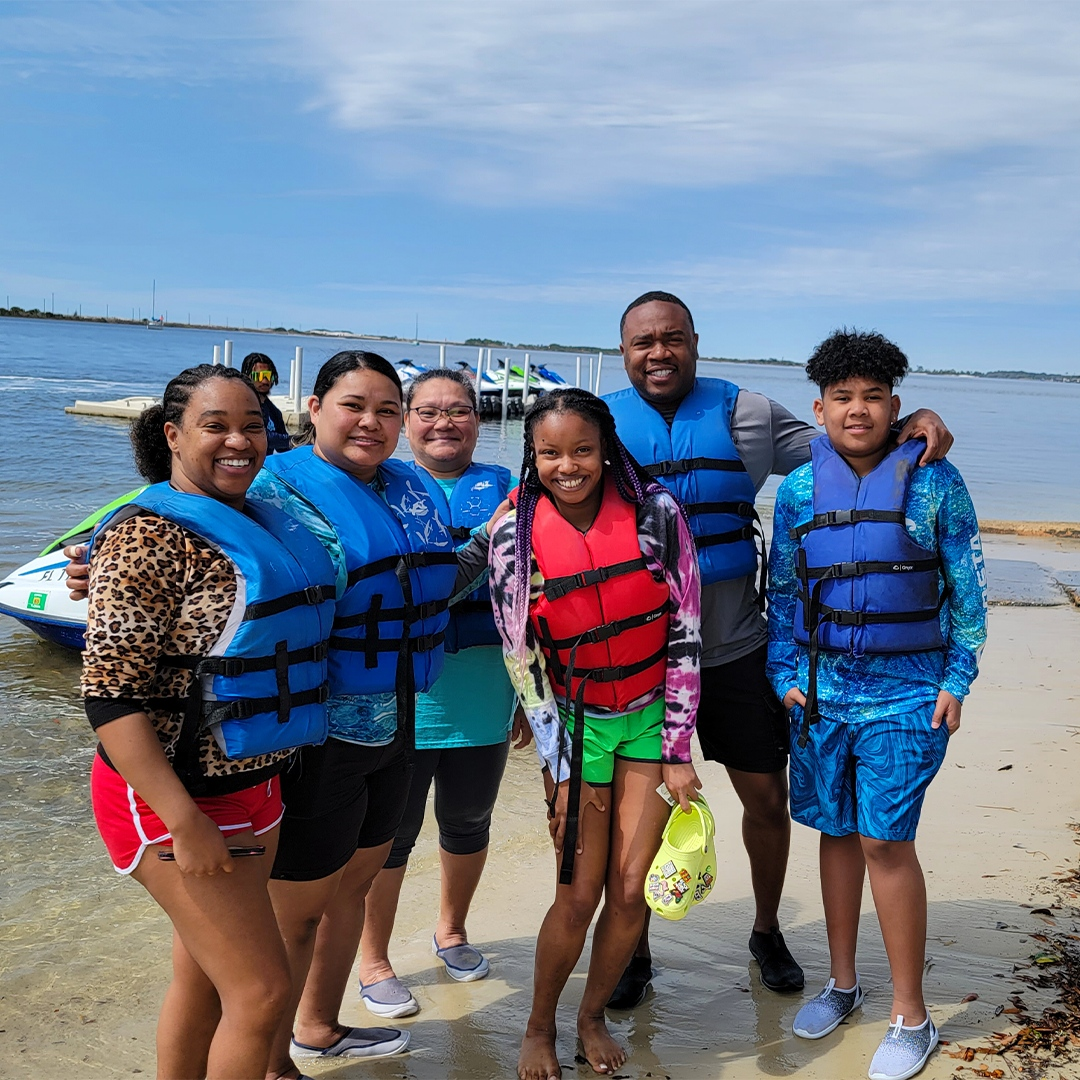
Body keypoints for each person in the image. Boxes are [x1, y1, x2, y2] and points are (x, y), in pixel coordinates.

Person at [604, 291, 955, 1004]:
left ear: (696, 341)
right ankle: (631, 946)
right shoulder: (600, 420)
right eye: (644, 342)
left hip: (736, 647)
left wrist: (918, 422)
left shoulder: (750, 413)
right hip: (639, 658)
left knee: (765, 799)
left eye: (673, 338)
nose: (659, 353)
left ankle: (766, 928)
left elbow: (852, 443)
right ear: (624, 351)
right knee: (631, 810)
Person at [81, 364, 337, 1080]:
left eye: (253, 425)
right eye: (215, 425)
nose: (239, 441)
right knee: (262, 993)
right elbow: (110, 697)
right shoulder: (146, 540)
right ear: (172, 434)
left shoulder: (264, 519)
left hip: (256, 786)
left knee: (205, 978)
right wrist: (183, 820)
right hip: (171, 799)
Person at [256, 351, 494, 1080]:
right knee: (295, 906)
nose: (372, 422)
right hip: (318, 730)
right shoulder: (270, 490)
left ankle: (319, 1027)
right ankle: (266, 1059)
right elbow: (196, 535)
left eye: (387, 410)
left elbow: (432, 582)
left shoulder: (405, 486)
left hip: (399, 714)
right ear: (316, 407)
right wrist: (96, 558)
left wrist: (494, 540)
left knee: (356, 885)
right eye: (354, 405)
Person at [766, 329, 986, 1080]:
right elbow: (786, 596)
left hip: (908, 694)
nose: (857, 410)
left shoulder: (935, 481)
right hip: (822, 698)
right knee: (834, 832)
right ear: (819, 407)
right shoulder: (797, 489)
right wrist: (783, 671)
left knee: (886, 842)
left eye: (872, 396)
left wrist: (957, 681)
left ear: (895, 404)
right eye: (842, 398)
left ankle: (911, 1016)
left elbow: (968, 590)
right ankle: (843, 984)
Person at [489, 388, 702, 1080]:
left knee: (631, 888)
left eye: (582, 450)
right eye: (549, 453)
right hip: (578, 730)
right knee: (578, 894)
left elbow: (687, 633)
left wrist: (676, 750)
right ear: (533, 454)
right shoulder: (512, 535)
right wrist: (555, 767)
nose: (568, 466)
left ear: (606, 447)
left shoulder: (656, 513)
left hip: (648, 717)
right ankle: (538, 1025)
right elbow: (519, 659)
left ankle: (592, 1016)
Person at [357, 368, 528, 1017]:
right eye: (428, 411)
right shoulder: (381, 490)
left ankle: (451, 931)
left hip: (485, 689)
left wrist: (528, 694)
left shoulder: (510, 490)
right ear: (406, 419)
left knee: (468, 821)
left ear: (479, 420)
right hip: (403, 696)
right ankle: (374, 959)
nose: (443, 422)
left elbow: (532, 596)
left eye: (457, 410)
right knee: (389, 835)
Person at [242, 352, 291, 453]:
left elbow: (283, 449)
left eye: (268, 376)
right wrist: (297, 439)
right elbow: (262, 437)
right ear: (247, 377)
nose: (264, 381)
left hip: (265, 465)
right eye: (258, 376)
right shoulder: (242, 407)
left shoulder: (274, 412)